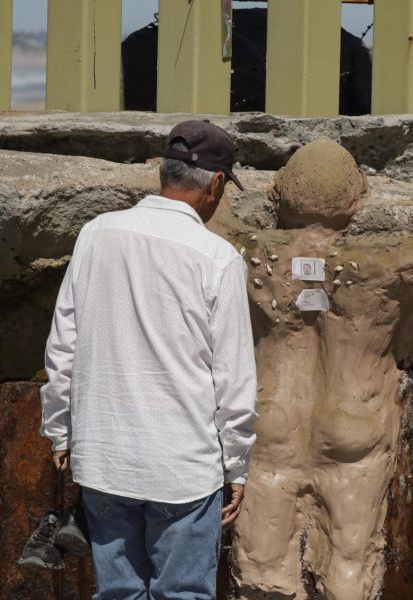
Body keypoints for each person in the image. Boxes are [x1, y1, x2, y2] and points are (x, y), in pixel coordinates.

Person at [39, 120, 258, 599]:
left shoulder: (97, 234)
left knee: (117, 594)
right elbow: (233, 380)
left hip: (104, 460)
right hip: (181, 468)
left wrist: (60, 432)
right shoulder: (217, 257)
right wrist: (236, 465)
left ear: (166, 171)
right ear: (216, 184)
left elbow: (63, 347)